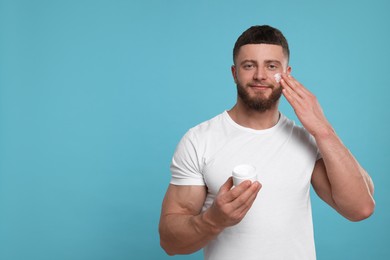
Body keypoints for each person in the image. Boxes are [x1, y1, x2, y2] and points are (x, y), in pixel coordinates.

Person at [158, 25, 375, 260]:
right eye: (249, 65)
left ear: (287, 74)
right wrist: (213, 220)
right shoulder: (199, 140)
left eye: (271, 66)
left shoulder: (307, 139)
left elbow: (360, 208)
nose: (260, 75)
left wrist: (323, 129)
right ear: (234, 73)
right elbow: (170, 242)